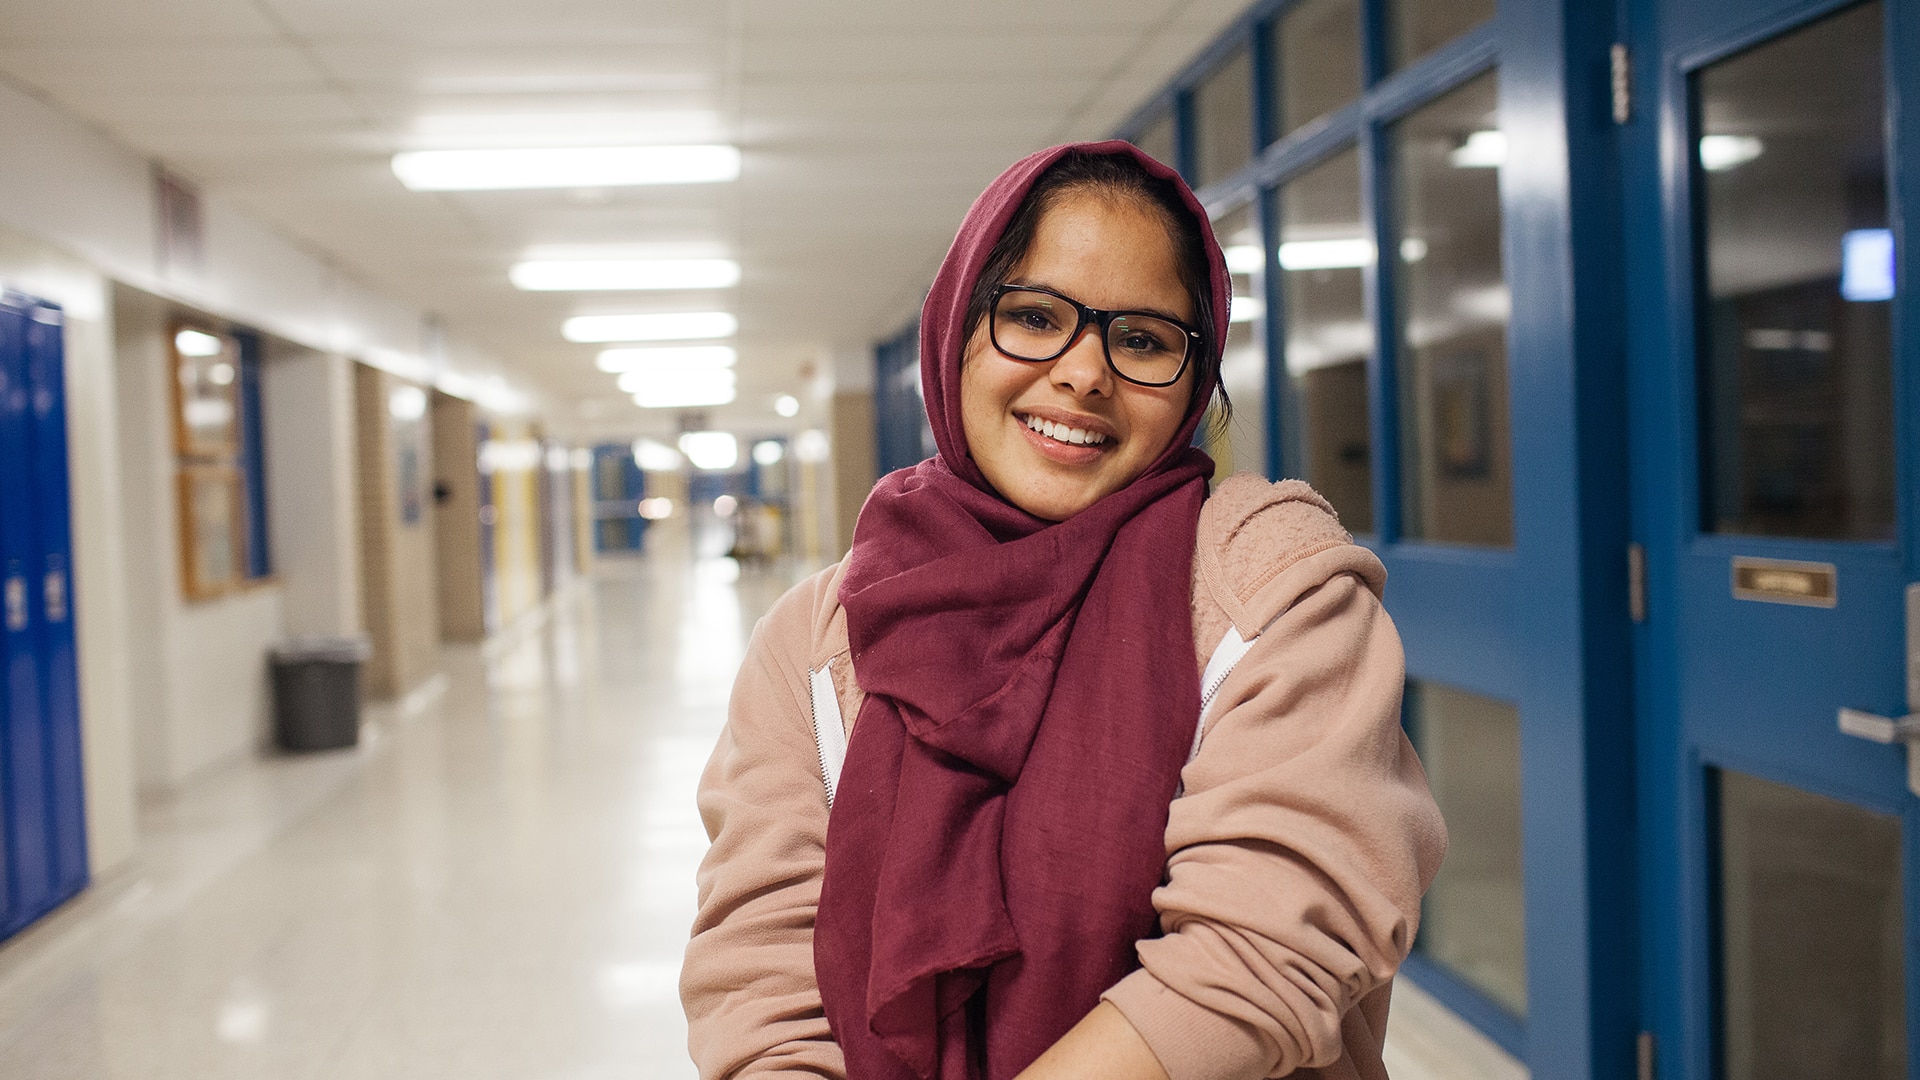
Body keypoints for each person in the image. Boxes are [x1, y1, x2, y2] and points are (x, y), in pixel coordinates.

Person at [680, 141, 1446, 1080]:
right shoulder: (818, 636)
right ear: (956, 332)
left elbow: (1271, 943)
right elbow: (761, 967)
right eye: (1035, 317)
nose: (1084, 373)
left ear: (1194, 383)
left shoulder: (1271, 586)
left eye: (1142, 340)